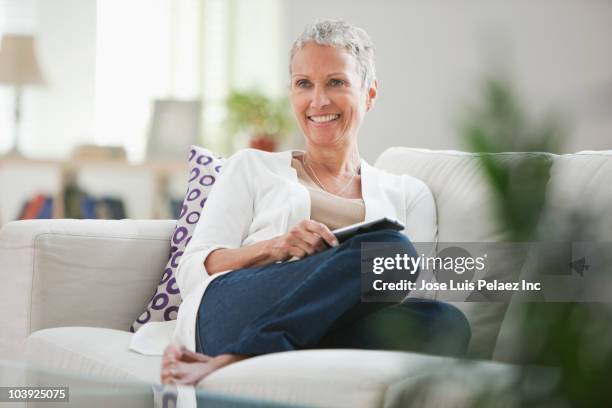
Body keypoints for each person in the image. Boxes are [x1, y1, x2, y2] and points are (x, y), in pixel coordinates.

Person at [160, 19, 470, 385]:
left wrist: (342, 272)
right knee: (391, 248)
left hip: (333, 327)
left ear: (369, 94)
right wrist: (275, 247)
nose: (318, 101)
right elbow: (193, 268)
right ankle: (244, 354)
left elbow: (407, 297)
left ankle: (273, 357)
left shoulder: (408, 193)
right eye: (303, 84)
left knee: (447, 321)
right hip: (233, 314)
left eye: (335, 82)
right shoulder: (253, 166)